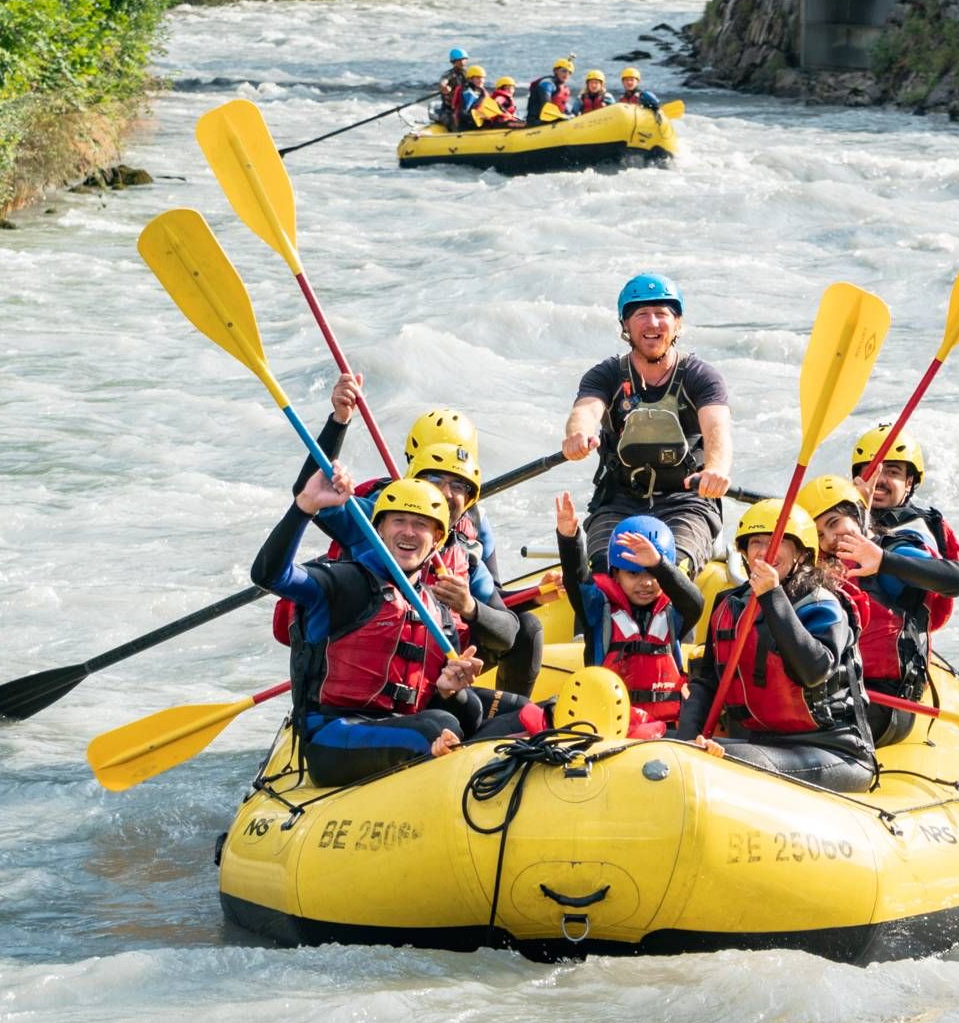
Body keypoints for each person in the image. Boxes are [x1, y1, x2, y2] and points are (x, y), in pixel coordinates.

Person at [254, 468, 529, 787]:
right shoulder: (343, 582)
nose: (409, 533)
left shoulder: (436, 609)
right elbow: (269, 575)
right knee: (436, 726)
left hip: (403, 725)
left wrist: (449, 691)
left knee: (524, 713)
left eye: (421, 525)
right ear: (379, 530)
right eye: (398, 521)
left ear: (437, 539)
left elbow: (455, 714)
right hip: (332, 736)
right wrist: (304, 506)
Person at [300, 375, 543, 695]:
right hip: (370, 662)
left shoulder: (464, 546)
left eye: (458, 483)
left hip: (434, 664)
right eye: (434, 476)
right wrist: (339, 421)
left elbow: (505, 624)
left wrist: (469, 606)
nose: (445, 492)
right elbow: (309, 493)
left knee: (528, 630)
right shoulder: (376, 519)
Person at [675, 500, 875, 792]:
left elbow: (814, 670)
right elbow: (707, 683)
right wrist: (683, 743)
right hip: (761, 742)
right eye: (756, 542)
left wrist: (772, 596)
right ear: (744, 552)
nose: (765, 551)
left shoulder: (822, 603)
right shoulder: (729, 604)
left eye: (778, 541)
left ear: (802, 553)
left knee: (723, 759)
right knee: (673, 750)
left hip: (834, 751)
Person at [560, 273, 732, 572]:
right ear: (625, 325)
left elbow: (717, 428)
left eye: (661, 314)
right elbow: (585, 411)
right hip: (619, 500)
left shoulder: (701, 376)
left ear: (677, 323)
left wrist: (716, 470)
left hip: (687, 502)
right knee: (604, 568)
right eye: (641, 314)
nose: (652, 323)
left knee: (673, 569)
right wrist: (578, 435)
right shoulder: (606, 374)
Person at [842, 428, 959, 743]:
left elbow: (955, 580)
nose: (881, 479)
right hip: (833, 679)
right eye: (873, 470)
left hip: (881, 696)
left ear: (910, 483)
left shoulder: (907, 540)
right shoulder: (834, 522)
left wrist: (882, 560)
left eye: (894, 472)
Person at [553, 495, 704, 735]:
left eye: (652, 575)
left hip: (666, 731)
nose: (646, 583)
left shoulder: (673, 612)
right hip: (612, 729)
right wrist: (570, 539)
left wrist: (659, 564)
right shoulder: (597, 608)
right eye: (633, 574)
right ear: (615, 574)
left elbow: (695, 603)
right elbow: (576, 580)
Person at [455, 65, 506, 132]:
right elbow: (463, 114)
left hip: (477, 122)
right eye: (478, 78)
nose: (481, 80)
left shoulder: (482, 92)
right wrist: (481, 116)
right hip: (467, 126)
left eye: (482, 78)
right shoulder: (467, 92)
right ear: (470, 79)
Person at [525, 58, 574, 122]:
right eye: (564, 71)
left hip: (554, 119)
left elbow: (563, 107)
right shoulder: (547, 83)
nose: (567, 74)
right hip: (537, 121)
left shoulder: (564, 88)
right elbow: (546, 104)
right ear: (556, 71)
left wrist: (570, 115)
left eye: (569, 72)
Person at [434, 48, 470, 126]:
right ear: (453, 62)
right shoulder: (449, 74)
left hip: (465, 106)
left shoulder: (469, 73)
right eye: (459, 60)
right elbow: (443, 81)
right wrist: (444, 87)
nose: (462, 62)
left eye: (464, 59)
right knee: (453, 123)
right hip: (449, 108)